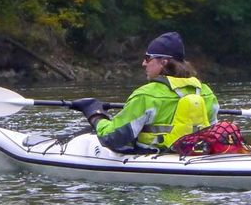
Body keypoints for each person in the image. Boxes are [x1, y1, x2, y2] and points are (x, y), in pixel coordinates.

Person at [70, 32, 219, 153]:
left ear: (163, 62)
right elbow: (213, 130)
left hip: (154, 156)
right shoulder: (205, 92)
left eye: (148, 58)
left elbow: (113, 137)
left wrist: (95, 115)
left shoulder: (146, 95)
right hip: (196, 154)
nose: (143, 63)